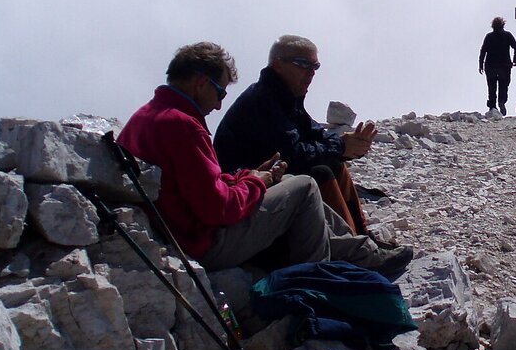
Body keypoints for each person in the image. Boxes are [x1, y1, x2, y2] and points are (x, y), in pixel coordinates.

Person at [117, 42, 411, 276]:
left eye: (315, 66)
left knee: (314, 174)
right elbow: (218, 208)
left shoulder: (146, 116)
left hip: (184, 230)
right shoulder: (184, 124)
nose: (220, 105)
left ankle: (361, 251)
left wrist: (250, 178)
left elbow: (203, 186)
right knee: (306, 185)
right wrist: (257, 183)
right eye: (219, 92)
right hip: (203, 242)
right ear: (200, 83)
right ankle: (321, 278)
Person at [214, 35, 388, 242]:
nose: (311, 73)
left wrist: (347, 147)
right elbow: (294, 154)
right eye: (303, 64)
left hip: (266, 182)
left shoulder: (286, 97)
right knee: (320, 172)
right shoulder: (262, 101)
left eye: (315, 66)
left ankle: (362, 237)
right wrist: (340, 146)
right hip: (243, 191)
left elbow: (315, 134)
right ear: (277, 64)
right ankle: (353, 248)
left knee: (332, 164)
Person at [478, 16, 516, 114]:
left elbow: (483, 51)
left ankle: (492, 107)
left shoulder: (489, 36)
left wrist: (480, 64)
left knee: (491, 87)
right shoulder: (508, 35)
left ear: (492, 26)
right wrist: (514, 60)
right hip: (504, 66)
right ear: (503, 25)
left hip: (490, 65)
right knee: (504, 85)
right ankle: (502, 101)